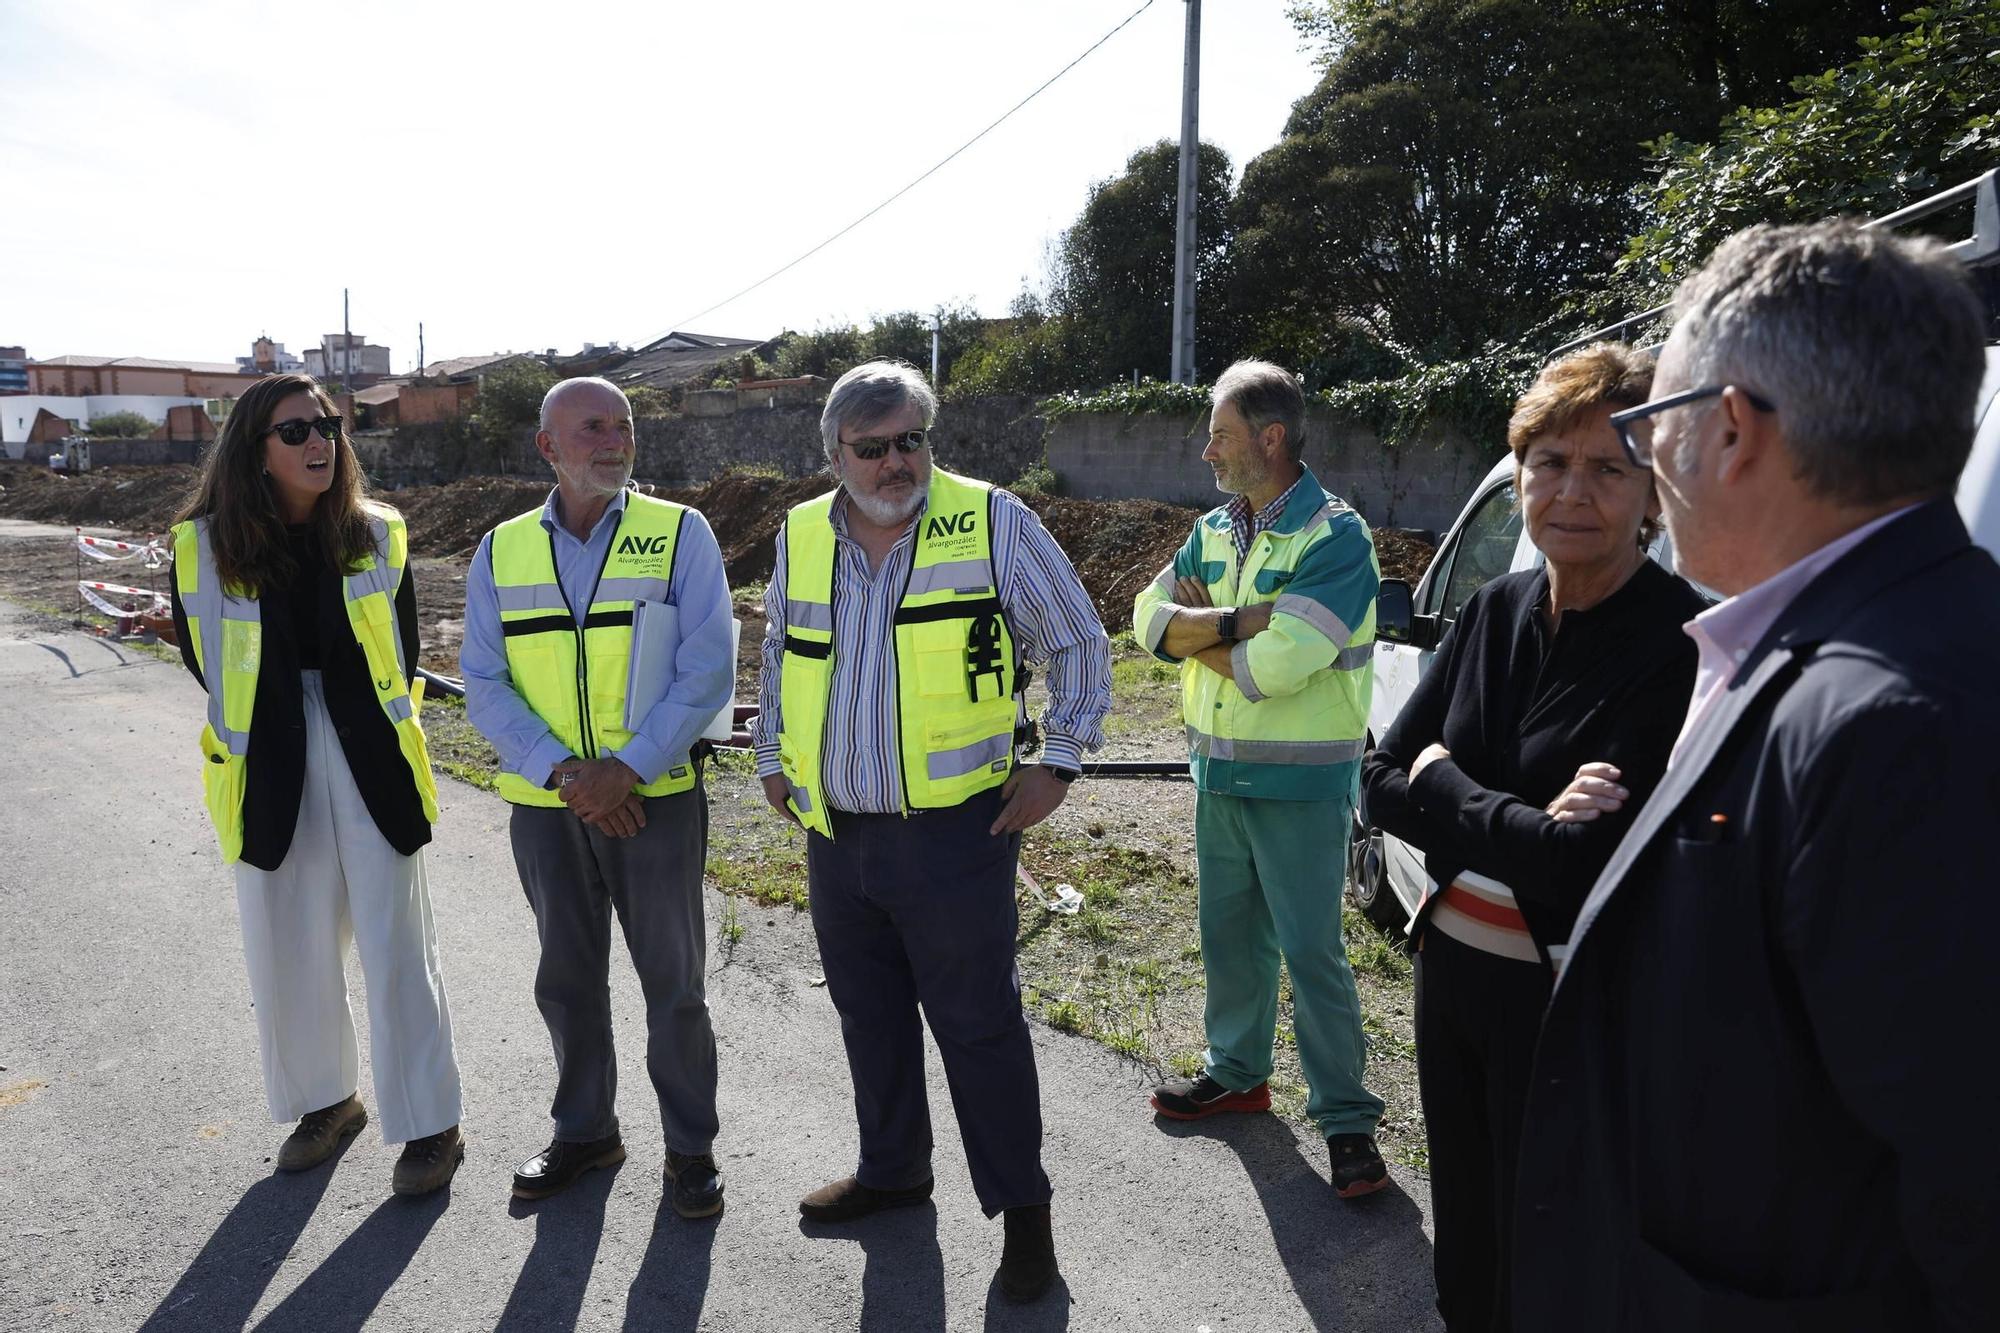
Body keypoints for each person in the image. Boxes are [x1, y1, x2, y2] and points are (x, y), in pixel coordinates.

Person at [1511, 222, 2000, 1330]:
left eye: (1642, 431)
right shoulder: (1854, 651)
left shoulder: (1894, 724)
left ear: (1725, 429)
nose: (1643, 470)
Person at [1359, 344, 1706, 1331]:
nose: (1571, 490)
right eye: (1548, 462)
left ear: (1652, 492)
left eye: (1607, 467)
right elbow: (1377, 781)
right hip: (1448, 977)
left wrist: (1443, 780)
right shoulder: (1490, 610)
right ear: (1518, 476)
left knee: (1553, 1245)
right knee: (1464, 1231)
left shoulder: (1675, 641)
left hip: (1563, 998)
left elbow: (1575, 862)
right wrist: (1504, 808)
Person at [753, 360, 1110, 1303]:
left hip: (957, 835)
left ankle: (1024, 1219)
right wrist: (773, 759)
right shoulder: (800, 533)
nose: (896, 461)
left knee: (979, 1028)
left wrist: (1060, 760)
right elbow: (778, 648)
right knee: (869, 1019)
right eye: (872, 448)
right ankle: (894, 1171)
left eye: (912, 438)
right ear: (835, 455)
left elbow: (1078, 640)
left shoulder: (993, 520)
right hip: (838, 834)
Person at [167, 372, 463, 1195]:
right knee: (286, 940)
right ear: (255, 450)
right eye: (295, 431)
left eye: (327, 425)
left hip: (368, 749)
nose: (318, 443)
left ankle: (431, 1121)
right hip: (268, 755)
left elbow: (400, 654)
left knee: (396, 940)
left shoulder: (378, 532)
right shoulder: (200, 544)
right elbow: (203, 658)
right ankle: (327, 1102)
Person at [462, 377, 734, 1218]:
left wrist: (628, 766)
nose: (614, 440)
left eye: (624, 426)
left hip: (655, 797)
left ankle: (690, 1150)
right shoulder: (500, 550)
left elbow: (707, 666)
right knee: (568, 981)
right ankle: (586, 1131)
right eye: (592, 428)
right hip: (550, 807)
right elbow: (482, 678)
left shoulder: (680, 532)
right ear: (548, 446)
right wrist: (569, 775)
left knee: (674, 985)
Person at [1132, 359, 1389, 1198]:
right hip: (1220, 772)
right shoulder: (1212, 530)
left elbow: (1284, 663)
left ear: (1270, 438)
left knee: (1314, 953)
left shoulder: (1337, 538)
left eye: (1220, 434)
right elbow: (1144, 617)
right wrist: (1235, 622)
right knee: (1229, 937)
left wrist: (1198, 636)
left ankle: (1347, 1122)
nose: (1206, 451)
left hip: (1303, 786)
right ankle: (1237, 1072)